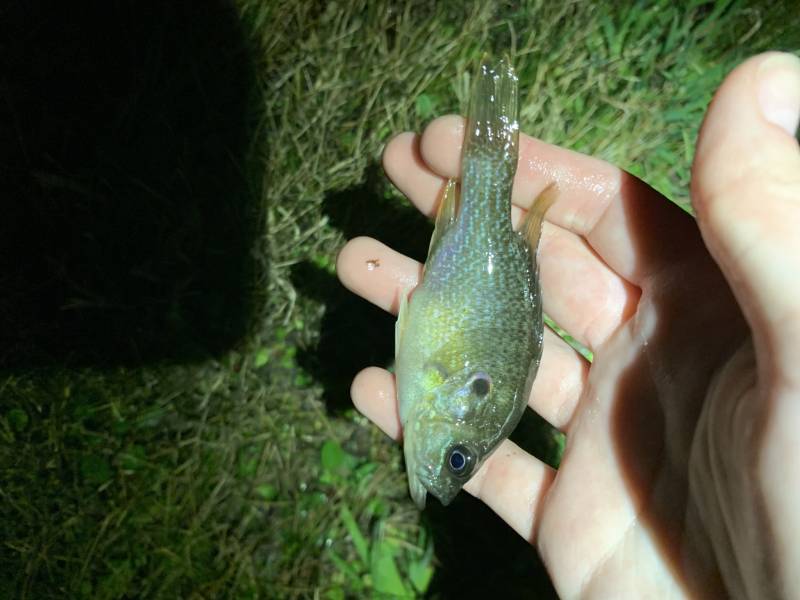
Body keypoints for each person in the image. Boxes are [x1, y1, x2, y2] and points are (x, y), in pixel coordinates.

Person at [336, 52, 800, 598]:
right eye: (457, 458)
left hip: (469, 269)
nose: (445, 467)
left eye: (458, 459)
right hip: (480, 269)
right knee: (466, 172)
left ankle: (491, 116)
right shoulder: (436, 396)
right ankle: (493, 108)